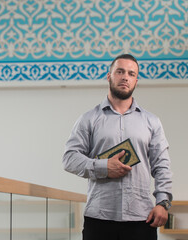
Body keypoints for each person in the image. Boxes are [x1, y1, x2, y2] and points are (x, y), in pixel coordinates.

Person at [62, 54, 173, 240]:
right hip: (99, 218)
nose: (125, 77)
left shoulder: (152, 122)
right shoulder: (88, 119)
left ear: (136, 80)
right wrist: (104, 167)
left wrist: (163, 203)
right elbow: (69, 158)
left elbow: (162, 165)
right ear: (109, 76)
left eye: (131, 73)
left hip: (142, 219)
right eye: (120, 71)